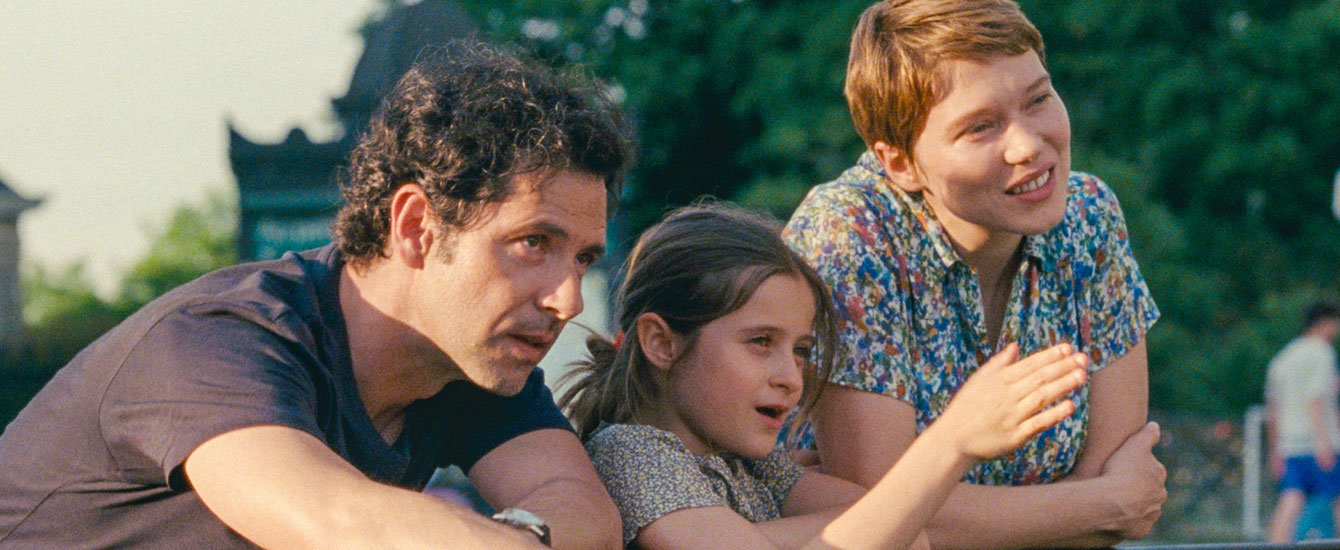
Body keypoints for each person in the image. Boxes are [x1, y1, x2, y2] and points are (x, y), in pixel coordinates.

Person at [0, 41, 632, 549]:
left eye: (583, 259)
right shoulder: (220, 341)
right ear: (416, 227)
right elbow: (339, 527)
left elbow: (585, 512)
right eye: (532, 243)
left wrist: (521, 536)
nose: (568, 301)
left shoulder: (468, 362)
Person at [781, 1, 1167, 547]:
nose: (1028, 145)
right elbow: (888, 519)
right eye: (981, 127)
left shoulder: (1088, 217)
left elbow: (1114, 493)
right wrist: (1104, 504)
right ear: (899, 163)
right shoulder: (848, 236)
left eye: (1038, 99)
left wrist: (1096, 509)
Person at [559, 204, 1089, 549]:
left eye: (801, 350)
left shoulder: (754, 466)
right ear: (661, 342)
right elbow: (883, 523)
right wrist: (951, 444)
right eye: (760, 342)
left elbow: (905, 530)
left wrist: (759, 535)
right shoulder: (630, 453)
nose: (790, 377)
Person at [1266, 300, 1340, 542]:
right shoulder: (1322, 352)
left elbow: (1273, 407)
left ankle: (1275, 545)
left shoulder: (1284, 356)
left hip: (1290, 443)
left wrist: (1275, 449)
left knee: (1291, 498)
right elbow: (1315, 399)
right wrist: (1323, 443)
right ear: (1326, 323)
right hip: (1318, 442)